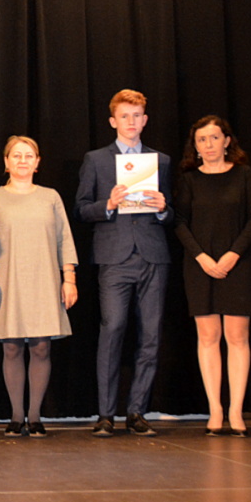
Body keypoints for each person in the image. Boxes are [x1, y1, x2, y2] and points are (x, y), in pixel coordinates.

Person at [75, 89, 172, 437]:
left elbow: (172, 212)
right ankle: (105, 414)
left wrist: (162, 209)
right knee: (112, 329)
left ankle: (137, 411)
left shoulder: (161, 161)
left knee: (150, 335)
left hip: (152, 256)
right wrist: (108, 204)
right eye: (124, 116)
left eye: (137, 116)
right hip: (114, 257)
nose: (131, 122)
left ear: (145, 120)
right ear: (113, 121)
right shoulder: (96, 160)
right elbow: (81, 208)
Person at [0, 136, 78, 438]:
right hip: (7, 279)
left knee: (41, 346)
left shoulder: (51, 197)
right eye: (16, 155)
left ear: (37, 162)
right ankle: (16, 416)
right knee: (11, 347)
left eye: (29, 155)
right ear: (6, 163)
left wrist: (69, 278)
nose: (23, 160)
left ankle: (34, 417)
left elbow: (64, 238)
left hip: (45, 278)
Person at [173, 116, 251, 437]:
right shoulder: (189, 180)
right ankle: (215, 410)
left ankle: (235, 411)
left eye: (213, 138)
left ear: (226, 141)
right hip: (200, 265)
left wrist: (233, 254)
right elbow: (179, 221)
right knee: (208, 336)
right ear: (195, 147)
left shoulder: (244, 174)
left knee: (237, 337)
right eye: (201, 140)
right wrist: (202, 257)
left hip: (238, 263)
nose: (208, 145)